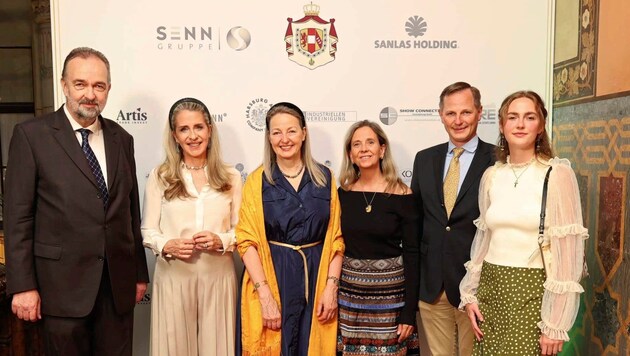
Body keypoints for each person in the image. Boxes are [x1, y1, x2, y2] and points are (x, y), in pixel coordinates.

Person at [4, 47, 149, 355]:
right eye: (80, 84)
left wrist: (138, 274)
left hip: (117, 289)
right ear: (64, 85)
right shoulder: (31, 136)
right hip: (59, 289)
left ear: (108, 89)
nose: (90, 94)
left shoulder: (121, 139)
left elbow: (129, 212)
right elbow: (18, 218)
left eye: (99, 86)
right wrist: (22, 285)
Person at [459, 91, 587, 356]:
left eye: (529, 117)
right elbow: (483, 240)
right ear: (502, 126)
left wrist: (555, 324)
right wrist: (470, 294)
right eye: (513, 117)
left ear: (540, 126)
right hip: (491, 289)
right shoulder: (492, 175)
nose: (520, 124)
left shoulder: (557, 174)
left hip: (532, 291)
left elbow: (568, 254)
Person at [236, 102, 344, 355]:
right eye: (276, 132)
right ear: (269, 137)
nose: (284, 139)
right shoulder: (256, 181)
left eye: (291, 131)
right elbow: (246, 241)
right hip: (273, 275)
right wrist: (264, 295)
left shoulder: (325, 178)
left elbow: (336, 239)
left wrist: (331, 287)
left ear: (304, 133)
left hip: (316, 275)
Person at [141, 97, 242, 355]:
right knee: (172, 348)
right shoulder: (160, 175)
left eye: (198, 127)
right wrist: (167, 244)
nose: (192, 136)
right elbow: (148, 229)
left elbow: (242, 230)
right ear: (174, 135)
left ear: (209, 129)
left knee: (218, 348)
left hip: (218, 278)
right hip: (174, 277)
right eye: (184, 129)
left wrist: (221, 240)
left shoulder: (231, 176)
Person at [410, 81, 495, 356]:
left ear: (479, 113)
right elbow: (417, 220)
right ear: (440, 115)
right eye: (451, 113)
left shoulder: (498, 160)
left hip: (478, 286)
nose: (458, 121)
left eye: (466, 112)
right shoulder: (424, 159)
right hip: (432, 285)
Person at [337, 120, 420, 355]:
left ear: (382, 149)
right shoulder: (342, 195)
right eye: (357, 144)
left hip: (391, 302)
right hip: (350, 301)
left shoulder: (404, 196)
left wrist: (408, 311)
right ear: (351, 155)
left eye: (370, 142)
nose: (364, 149)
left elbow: (413, 255)